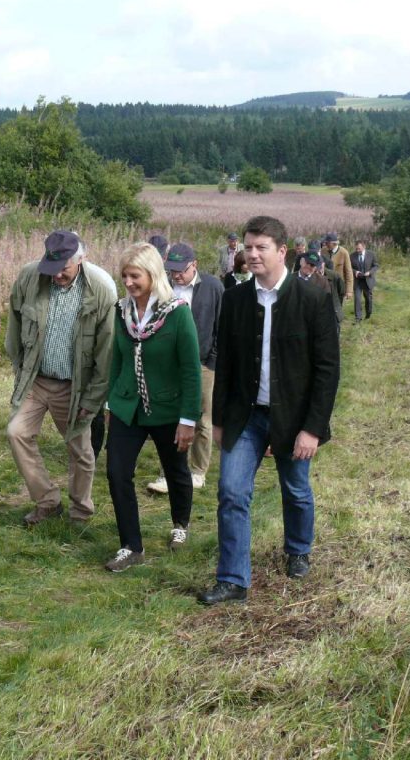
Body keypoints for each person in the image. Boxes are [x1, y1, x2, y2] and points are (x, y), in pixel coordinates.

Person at [198, 215, 339, 605]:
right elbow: (224, 361)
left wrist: (312, 428)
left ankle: (298, 549)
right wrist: (221, 419)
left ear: (283, 252)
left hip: (292, 417)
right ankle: (232, 579)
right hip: (245, 415)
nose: (253, 254)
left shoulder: (312, 300)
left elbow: (327, 370)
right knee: (231, 492)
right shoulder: (236, 299)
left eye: (262, 247)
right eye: (248, 247)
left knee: (295, 488)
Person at [5, 230, 116, 526]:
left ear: (81, 259)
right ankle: (47, 501)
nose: (57, 276)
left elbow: (107, 353)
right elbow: (14, 325)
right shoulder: (30, 277)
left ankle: (80, 511)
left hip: (75, 387)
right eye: (52, 268)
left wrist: (92, 400)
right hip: (36, 381)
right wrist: (20, 369)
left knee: (80, 450)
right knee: (17, 432)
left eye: (63, 269)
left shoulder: (102, 289)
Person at [104, 243, 201, 572]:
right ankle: (131, 546)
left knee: (176, 470)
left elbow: (190, 370)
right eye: (124, 276)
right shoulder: (122, 311)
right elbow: (116, 359)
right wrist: (110, 402)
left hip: (168, 409)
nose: (128, 283)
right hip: (127, 407)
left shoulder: (177, 312)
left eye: (135, 276)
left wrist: (188, 420)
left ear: (152, 274)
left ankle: (180, 524)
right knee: (117, 473)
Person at [147, 242, 223, 494]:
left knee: (201, 418)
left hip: (202, 364)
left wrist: (211, 360)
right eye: (172, 270)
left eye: (181, 270)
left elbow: (221, 328)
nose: (176, 275)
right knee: (169, 417)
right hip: (168, 366)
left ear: (195, 265)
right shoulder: (163, 289)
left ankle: (198, 471)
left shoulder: (213, 287)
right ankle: (168, 471)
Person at [321, 232, 352, 310]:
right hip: (325, 285)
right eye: (325, 242)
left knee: (337, 308)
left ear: (334, 243)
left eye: (328, 242)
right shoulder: (323, 250)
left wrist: (349, 290)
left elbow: (349, 272)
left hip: (338, 285)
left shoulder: (344, 253)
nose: (326, 244)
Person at [351, 240, 379, 322]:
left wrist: (370, 272)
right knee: (357, 298)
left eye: (359, 249)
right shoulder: (352, 256)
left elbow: (376, 266)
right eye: (356, 249)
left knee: (368, 299)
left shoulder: (371, 254)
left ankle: (368, 314)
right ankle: (358, 318)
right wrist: (355, 272)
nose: (357, 250)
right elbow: (349, 267)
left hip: (368, 280)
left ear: (364, 247)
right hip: (357, 281)